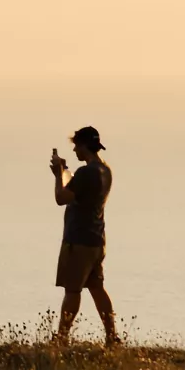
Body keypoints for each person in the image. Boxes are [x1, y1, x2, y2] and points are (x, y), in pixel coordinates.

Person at [50, 125, 118, 344]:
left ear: (83, 145)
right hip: (97, 239)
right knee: (97, 288)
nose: (75, 152)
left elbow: (62, 197)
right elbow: (80, 192)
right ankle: (111, 335)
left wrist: (58, 174)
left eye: (76, 146)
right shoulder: (104, 169)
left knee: (73, 290)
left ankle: (62, 338)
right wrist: (65, 173)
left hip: (78, 239)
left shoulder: (86, 172)